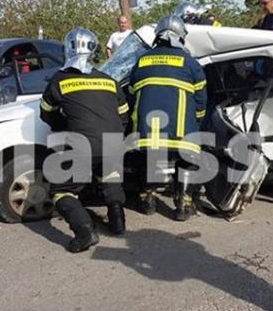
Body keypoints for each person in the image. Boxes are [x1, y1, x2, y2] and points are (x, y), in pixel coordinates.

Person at [40, 27, 129, 253]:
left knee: (61, 190)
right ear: (94, 51)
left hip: (81, 143)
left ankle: (85, 232)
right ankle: (118, 222)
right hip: (113, 140)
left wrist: (64, 128)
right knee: (110, 175)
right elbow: (124, 114)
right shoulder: (109, 79)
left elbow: (46, 112)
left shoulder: (60, 80)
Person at [129, 15, 207, 221]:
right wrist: (197, 122)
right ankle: (183, 205)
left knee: (148, 160)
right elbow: (201, 99)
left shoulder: (142, 60)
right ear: (180, 37)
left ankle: (148, 201)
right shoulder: (190, 63)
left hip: (148, 130)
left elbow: (131, 91)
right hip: (182, 130)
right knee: (187, 162)